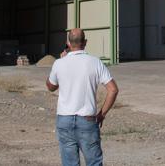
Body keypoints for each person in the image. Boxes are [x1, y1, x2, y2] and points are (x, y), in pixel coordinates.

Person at [46, 28, 119, 166]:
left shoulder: (59, 63)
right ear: (85, 42)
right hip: (87, 120)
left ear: (68, 42)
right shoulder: (95, 62)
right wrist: (102, 114)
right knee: (94, 162)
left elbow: (51, 87)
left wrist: (61, 62)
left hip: (65, 119)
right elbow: (113, 90)